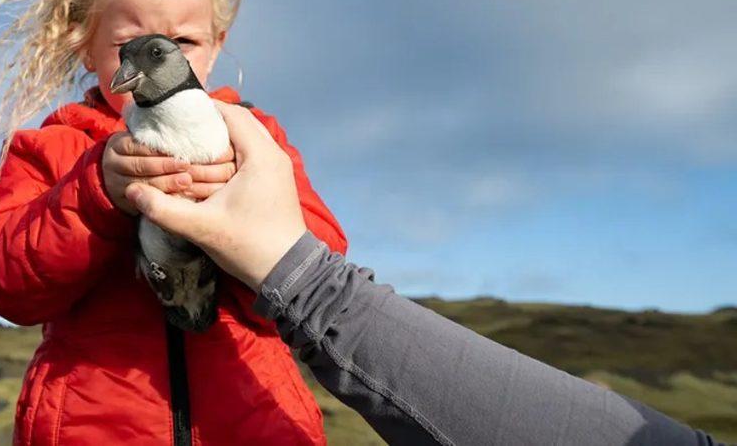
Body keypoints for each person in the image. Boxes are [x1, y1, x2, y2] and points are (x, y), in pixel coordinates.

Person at [0, 0, 348, 445]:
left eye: (183, 42)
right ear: (85, 43)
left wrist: (242, 213)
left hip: (254, 424)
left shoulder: (254, 141)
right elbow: (1, 277)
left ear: (217, 44)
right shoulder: (53, 149)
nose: (158, 59)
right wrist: (94, 195)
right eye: (131, 43)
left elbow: (322, 261)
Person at [126, 102, 721, 446]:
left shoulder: (253, 132)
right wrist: (96, 191)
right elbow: (28, 279)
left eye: (186, 35)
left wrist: (295, 275)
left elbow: (323, 235)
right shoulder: (73, 145)